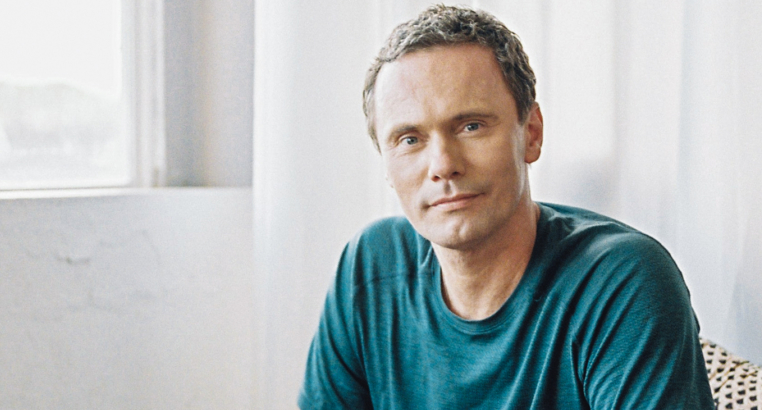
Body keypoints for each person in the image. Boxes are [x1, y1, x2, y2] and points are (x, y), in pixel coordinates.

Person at [299, 5, 715, 409]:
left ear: (531, 133)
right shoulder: (370, 268)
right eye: (409, 139)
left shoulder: (622, 283)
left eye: (471, 126)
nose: (443, 165)